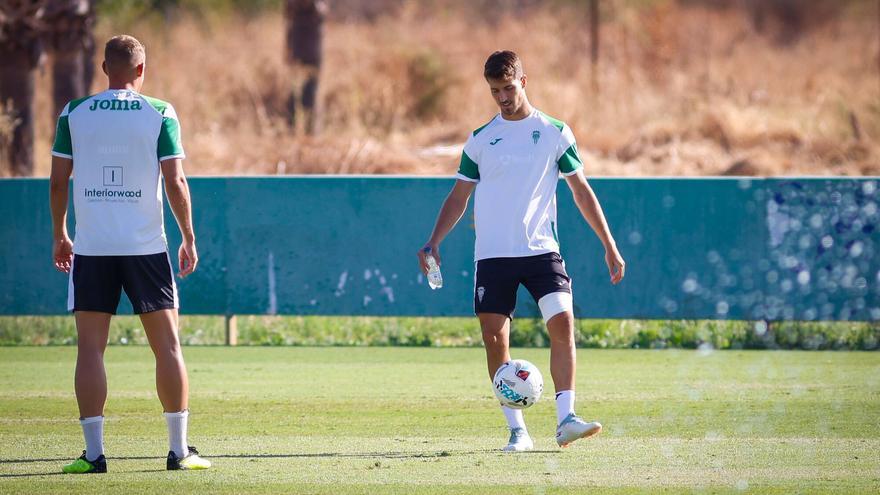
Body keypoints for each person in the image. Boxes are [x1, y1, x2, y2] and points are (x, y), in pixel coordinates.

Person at [418, 50, 625, 452]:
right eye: (495, 91)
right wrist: (434, 241)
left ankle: (566, 419)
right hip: (493, 255)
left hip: (542, 251)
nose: (503, 97)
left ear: (523, 82)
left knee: (562, 323)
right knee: (495, 340)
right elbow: (459, 196)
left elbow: (582, 191)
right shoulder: (480, 140)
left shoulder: (554, 132)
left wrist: (609, 245)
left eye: (508, 88)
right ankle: (518, 431)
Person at [49, 34, 210, 473]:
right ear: (142, 70)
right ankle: (178, 452)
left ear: (104, 69)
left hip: (93, 247)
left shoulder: (74, 112)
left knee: (90, 350)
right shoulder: (160, 111)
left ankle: (94, 455)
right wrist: (189, 236)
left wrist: (61, 234)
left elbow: (59, 182)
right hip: (145, 247)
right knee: (168, 348)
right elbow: (175, 181)